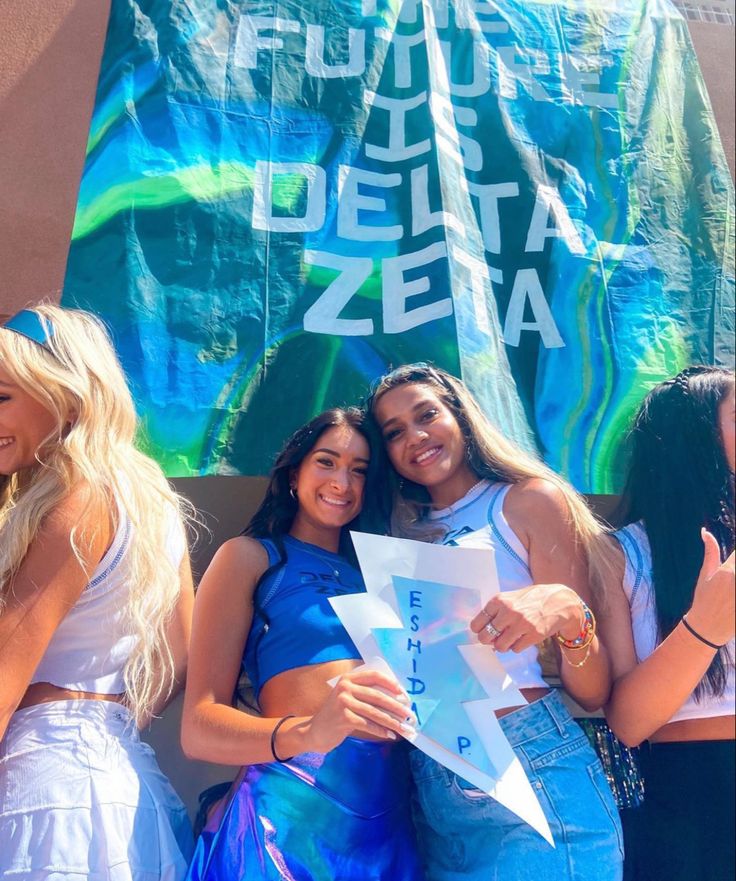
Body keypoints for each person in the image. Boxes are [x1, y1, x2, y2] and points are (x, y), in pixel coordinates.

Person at [367, 362, 623, 881]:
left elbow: (594, 691)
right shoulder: (393, 530)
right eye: (394, 433)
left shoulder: (525, 501)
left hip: (528, 764)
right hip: (434, 790)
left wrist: (570, 615)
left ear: (459, 415)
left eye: (426, 415)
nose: (415, 437)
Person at [180, 407, 425, 881]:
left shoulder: (384, 574)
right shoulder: (251, 558)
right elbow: (198, 727)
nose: (342, 483)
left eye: (359, 470)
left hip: (387, 825)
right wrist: (311, 732)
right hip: (284, 825)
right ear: (295, 472)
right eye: (327, 462)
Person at [0, 305, 194, 879]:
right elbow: (177, 661)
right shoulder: (151, 494)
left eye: (2, 397)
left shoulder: (75, 497)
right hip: (124, 790)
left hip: (46, 795)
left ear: (65, 392)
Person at [598, 366, 735, 881]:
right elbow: (628, 724)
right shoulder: (625, 553)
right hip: (690, 796)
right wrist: (703, 628)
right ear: (696, 437)